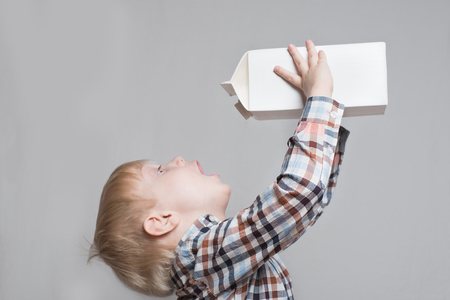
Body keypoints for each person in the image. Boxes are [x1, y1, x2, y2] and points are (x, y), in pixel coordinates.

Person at [89, 40, 350, 299]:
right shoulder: (201, 259)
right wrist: (320, 97)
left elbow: (305, 207)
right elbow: (298, 195)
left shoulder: (212, 269)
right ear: (162, 221)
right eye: (160, 171)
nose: (177, 159)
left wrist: (325, 120)